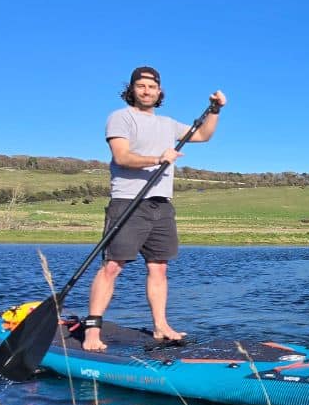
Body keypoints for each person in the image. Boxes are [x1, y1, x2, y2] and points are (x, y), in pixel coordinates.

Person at [81, 66, 227, 351]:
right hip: (128, 202)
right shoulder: (120, 118)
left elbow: (204, 136)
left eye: (152, 86)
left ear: (159, 92)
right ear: (132, 90)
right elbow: (121, 157)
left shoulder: (169, 124)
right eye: (141, 86)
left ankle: (161, 325)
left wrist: (216, 110)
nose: (147, 91)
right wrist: (158, 159)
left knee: (159, 268)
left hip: (161, 204)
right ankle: (91, 332)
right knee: (112, 266)